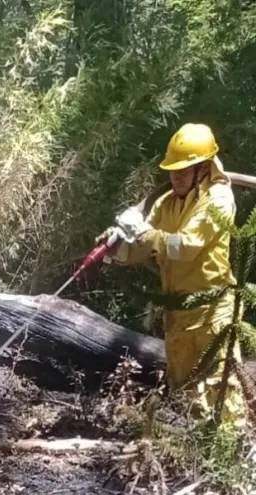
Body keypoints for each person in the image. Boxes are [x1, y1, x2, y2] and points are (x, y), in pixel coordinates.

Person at [98, 122, 246, 427]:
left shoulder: (217, 200)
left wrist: (147, 234)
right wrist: (116, 249)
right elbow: (145, 247)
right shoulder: (166, 204)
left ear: (203, 167)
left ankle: (234, 460)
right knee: (186, 394)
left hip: (212, 311)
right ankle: (196, 458)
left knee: (222, 390)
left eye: (185, 169)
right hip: (178, 313)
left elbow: (185, 246)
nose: (176, 176)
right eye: (173, 170)